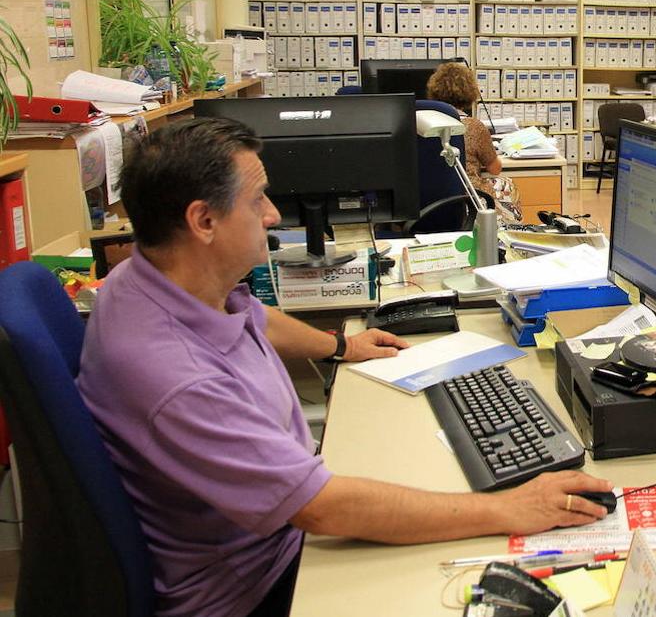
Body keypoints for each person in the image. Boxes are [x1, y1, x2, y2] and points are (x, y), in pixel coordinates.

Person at [77, 118, 611, 617]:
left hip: (276, 533)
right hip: (261, 586)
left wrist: (340, 347)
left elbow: (252, 316)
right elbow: (323, 509)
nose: (271, 214)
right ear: (204, 220)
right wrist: (510, 510)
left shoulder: (150, 279)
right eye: (257, 198)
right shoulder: (177, 377)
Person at [426, 62, 522, 222]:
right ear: (469, 92)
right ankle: (510, 234)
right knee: (507, 184)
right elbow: (495, 168)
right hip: (468, 198)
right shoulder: (474, 126)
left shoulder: (422, 124)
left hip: (431, 197)